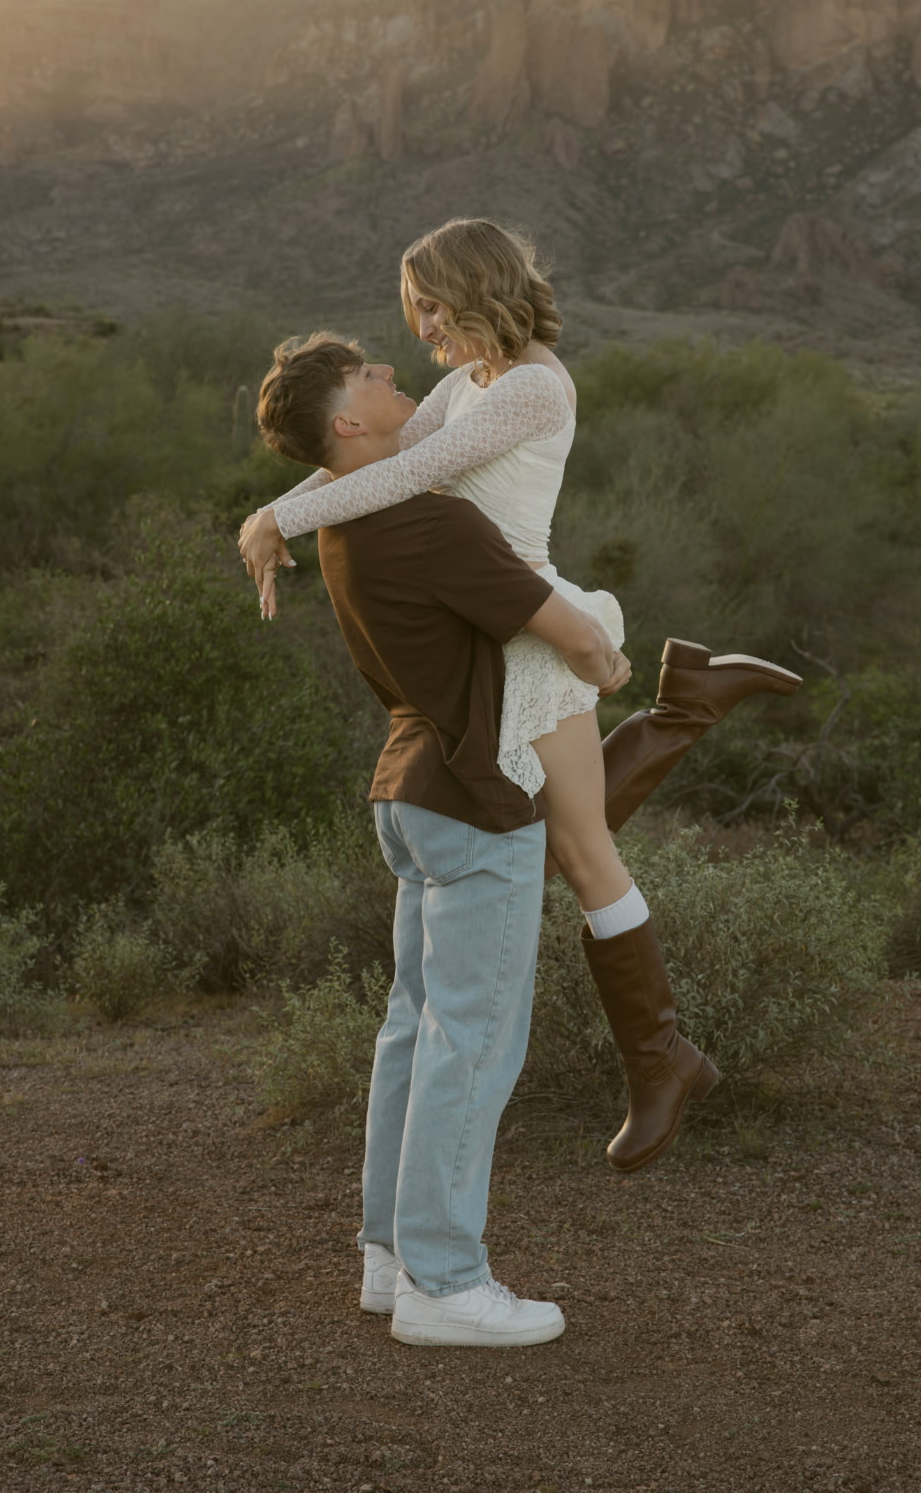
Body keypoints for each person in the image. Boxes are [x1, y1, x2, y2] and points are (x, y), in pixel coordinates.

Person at [240, 219, 799, 1174]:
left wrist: (271, 515)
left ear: (471, 292)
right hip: (501, 626)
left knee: (575, 852)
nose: (418, 330)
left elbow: (411, 473)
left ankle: (661, 1062)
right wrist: (290, 500)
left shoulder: (534, 386)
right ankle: (689, 710)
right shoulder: (469, 384)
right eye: (412, 311)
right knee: (553, 842)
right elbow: (378, 465)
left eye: (427, 307)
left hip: (531, 630)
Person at [252, 330, 653, 1347]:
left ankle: (389, 1260)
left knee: (418, 1031)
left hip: (409, 790)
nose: (393, 374)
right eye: (371, 377)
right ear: (348, 422)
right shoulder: (429, 521)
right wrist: (608, 660)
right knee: (472, 1038)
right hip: (473, 798)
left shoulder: (351, 530)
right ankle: (444, 1279)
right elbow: (569, 632)